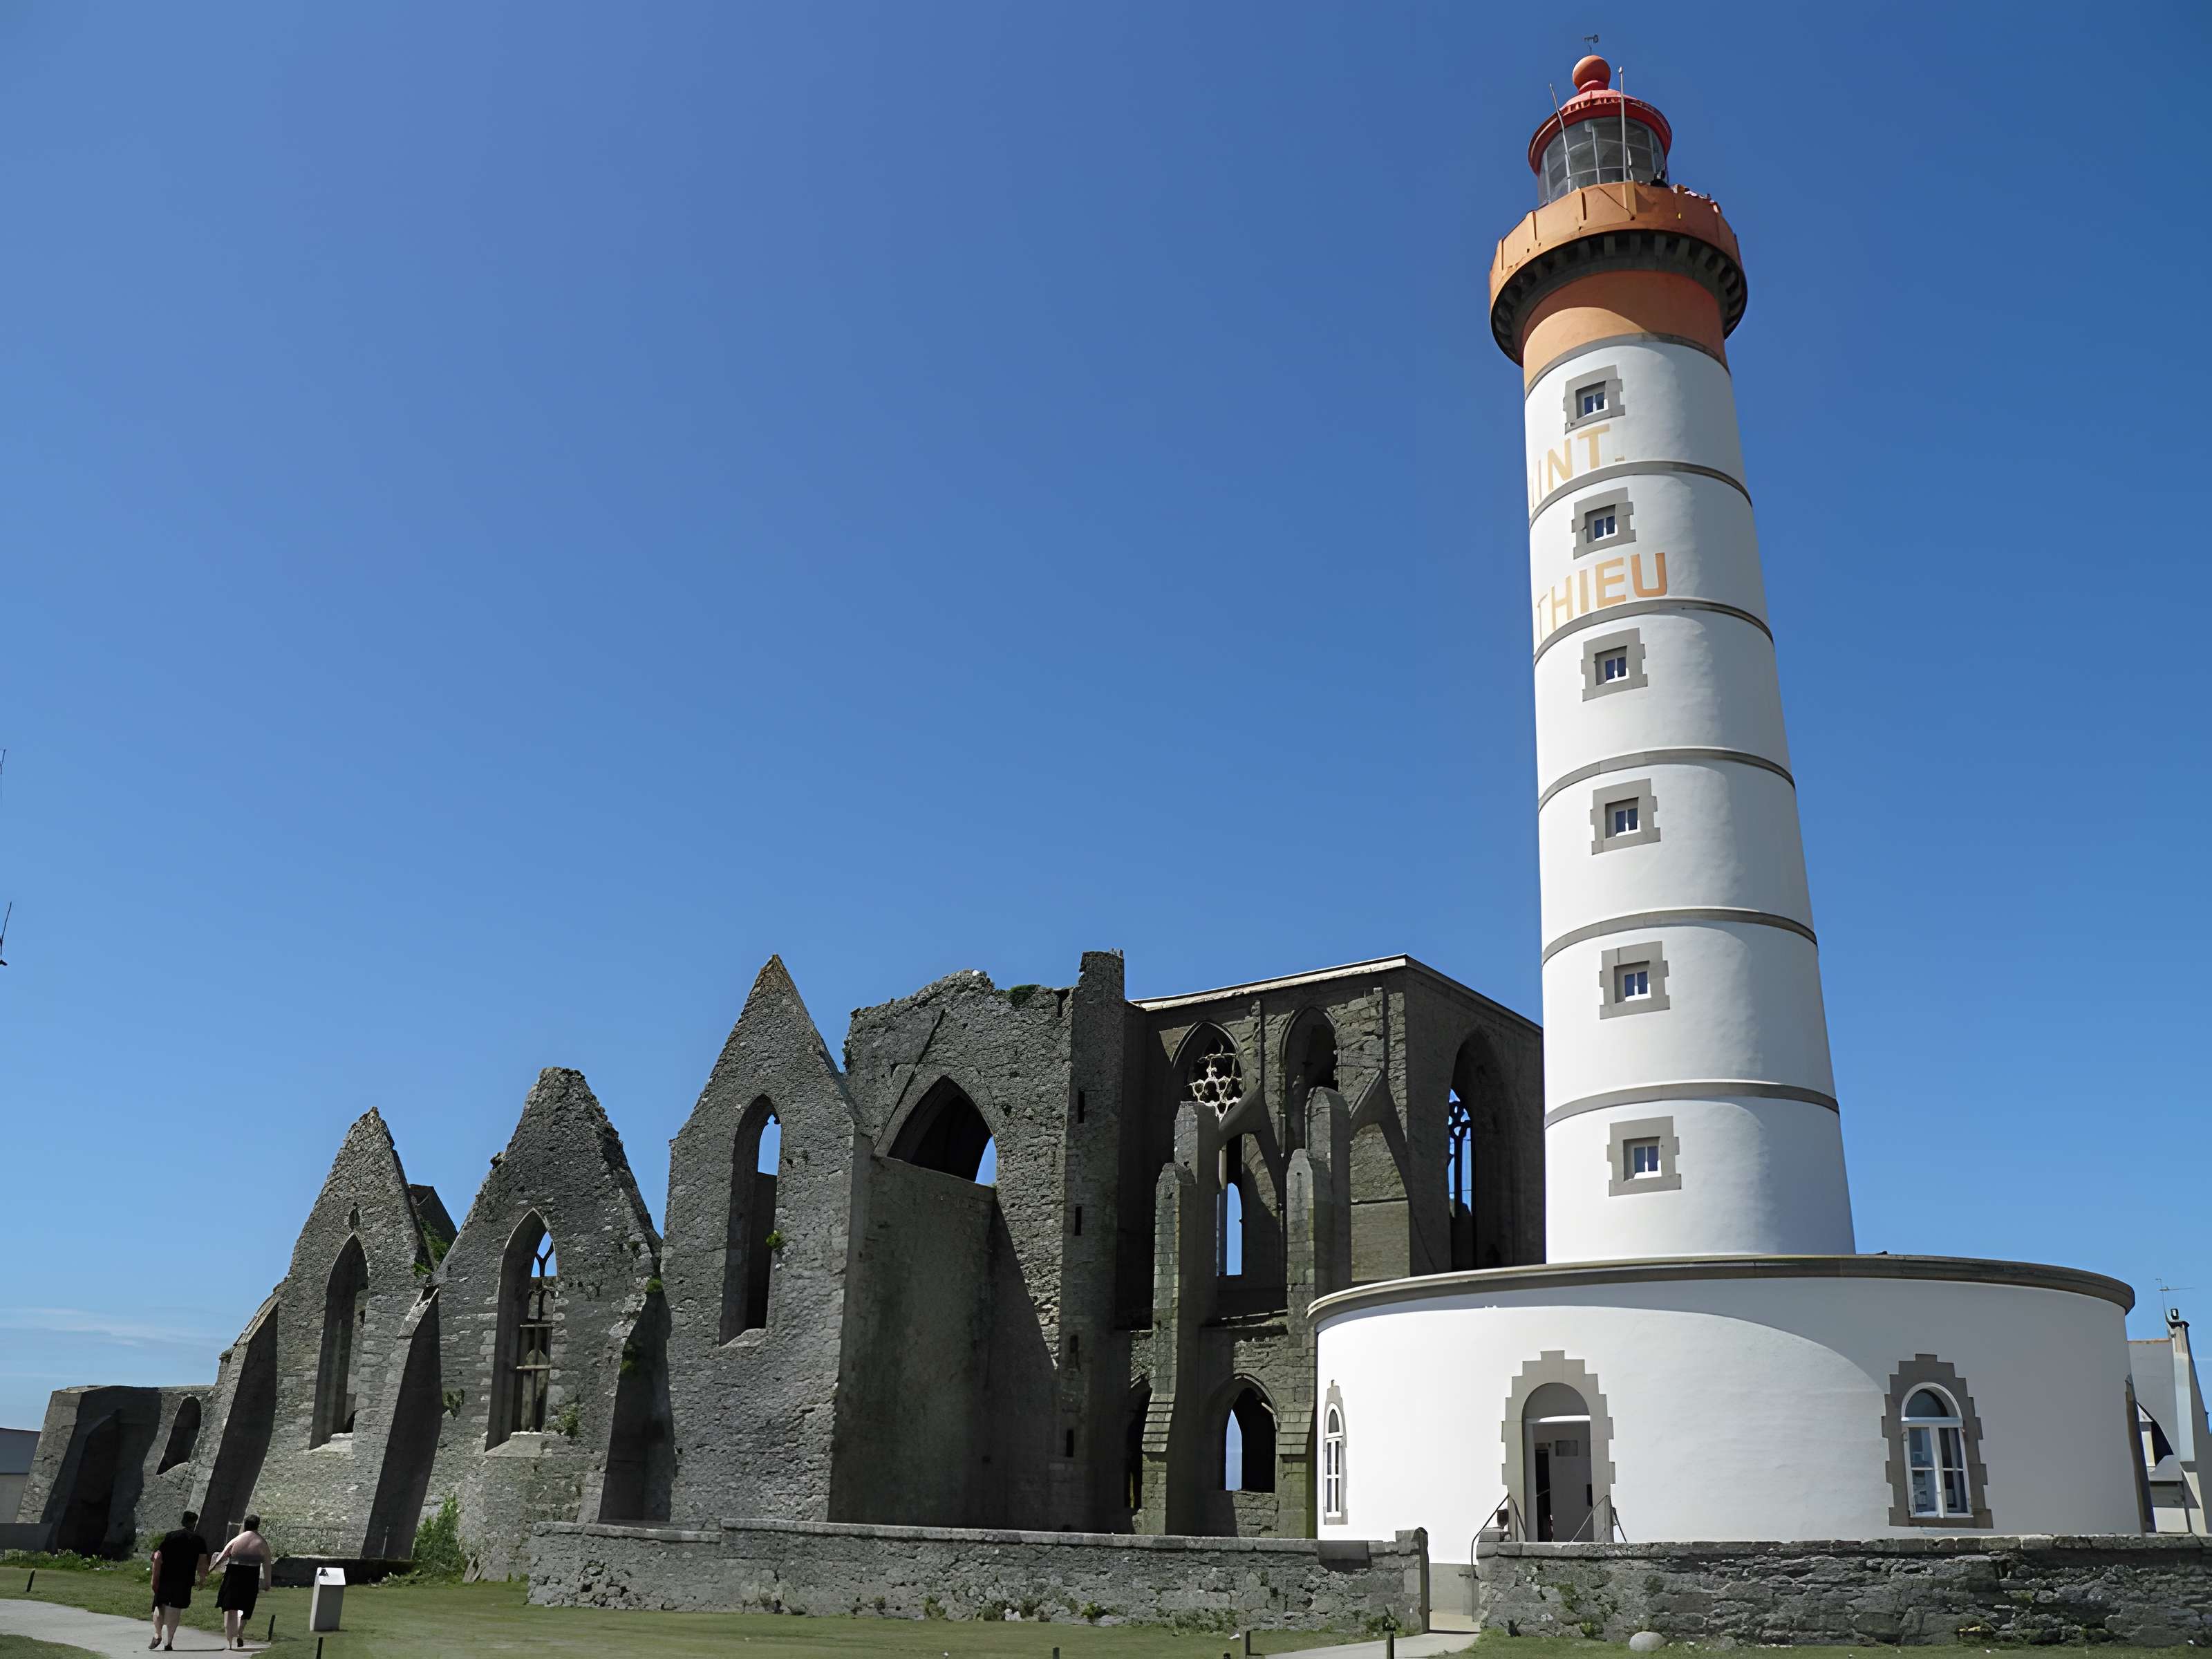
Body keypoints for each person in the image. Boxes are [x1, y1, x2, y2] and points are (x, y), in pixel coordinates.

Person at [148, 1510, 209, 1651]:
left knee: (159, 1605)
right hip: (185, 1579)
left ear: (182, 1521)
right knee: (176, 1609)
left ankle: (157, 1635)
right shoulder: (199, 1540)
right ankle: (169, 1642)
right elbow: (202, 1563)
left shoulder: (170, 1536)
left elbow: (158, 1556)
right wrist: (202, 1579)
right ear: (195, 1523)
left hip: (167, 1576)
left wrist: (155, 1576)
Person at [211, 1516, 272, 1651]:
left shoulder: (237, 1539)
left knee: (229, 1606)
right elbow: (267, 1564)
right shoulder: (262, 1542)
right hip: (251, 1576)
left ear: (245, 1525)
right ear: (258, 1525)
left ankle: (230, 1641)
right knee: (246, 1605)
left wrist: (211, 1570)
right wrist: (267, 1583)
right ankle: (240, 1632)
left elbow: (222, 1556)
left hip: (234, 1574)